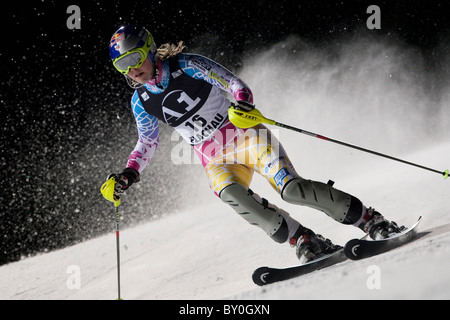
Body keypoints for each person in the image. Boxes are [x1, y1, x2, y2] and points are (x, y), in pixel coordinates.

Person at [104, 25, 405, 263]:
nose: (131, 69)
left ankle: (370, 219)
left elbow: (234, 84)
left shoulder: (187, 65)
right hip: (216, 159)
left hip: (246, 137)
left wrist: (243, 104)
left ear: (149, 49)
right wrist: (128, 174)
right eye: (121, 65)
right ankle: (304, 240)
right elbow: (147, 142)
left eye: (133, 58)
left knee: (291, 190)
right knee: (234, 196)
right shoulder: (140, 101)